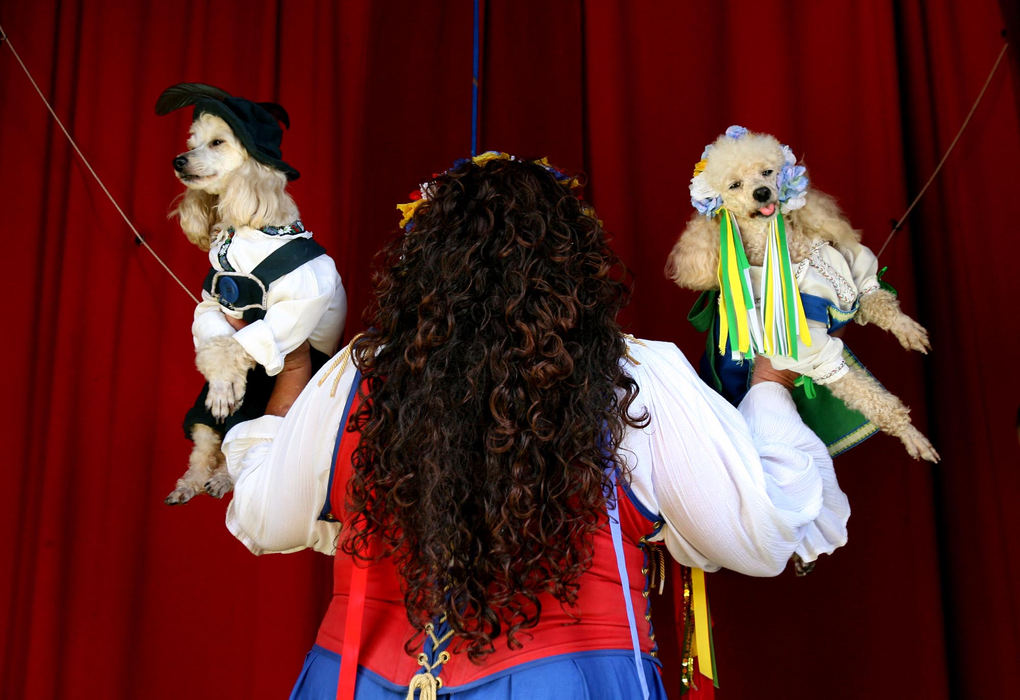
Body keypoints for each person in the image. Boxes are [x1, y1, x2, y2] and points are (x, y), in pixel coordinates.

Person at [222, 153, 850, 699]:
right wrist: (770, 385)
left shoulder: (352, 379)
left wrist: (291, 368)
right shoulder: (638, 376)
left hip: (358, 681)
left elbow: (261, 516)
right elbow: (762, 532)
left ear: (424, 268)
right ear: (573, 265)